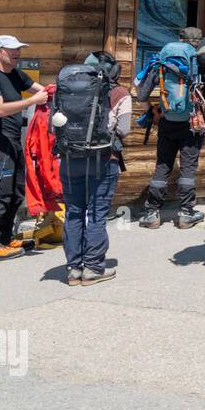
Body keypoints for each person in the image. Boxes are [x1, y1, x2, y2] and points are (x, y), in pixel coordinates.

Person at [59, 51, 130, 286]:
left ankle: (73, 269)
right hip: (103, 159)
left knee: (73, 212)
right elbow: (125, 129)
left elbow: (55, 124)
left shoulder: (65, 88)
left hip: (70, 158)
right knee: (97, 214)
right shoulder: (119, 93)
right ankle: (93, 268)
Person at [0, 35, 47, 264]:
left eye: (19, 49)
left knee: (15, 194)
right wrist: (31, 101)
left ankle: (4, 241)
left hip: (15, 143)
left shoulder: (15, 74)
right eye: (12, 49)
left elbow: (41, 90)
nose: (17, 53)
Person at [135, 26, 204, 229]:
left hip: (167, 121)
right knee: (188, 167)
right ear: (196, 42)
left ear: (179, 38)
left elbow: (141, 95)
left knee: (163, 165)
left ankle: (152, 213)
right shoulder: (198, 64)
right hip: (192, 123)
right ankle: (186, 213)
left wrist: (153, 112)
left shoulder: (161, 63)